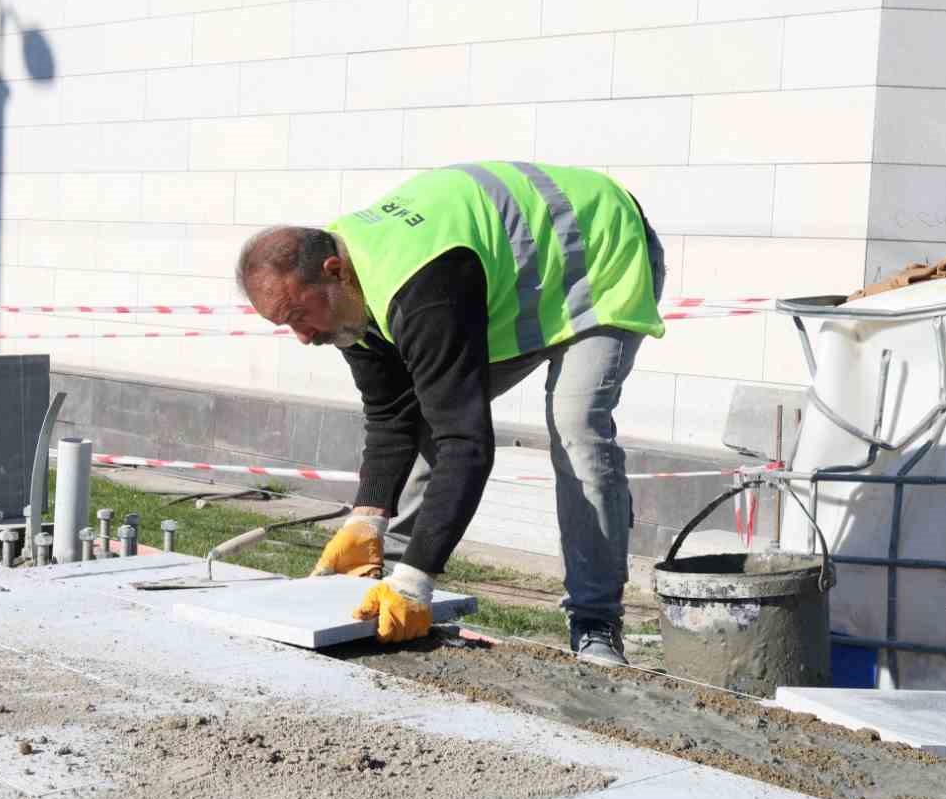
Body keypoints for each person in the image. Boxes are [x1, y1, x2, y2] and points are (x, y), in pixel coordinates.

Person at [235, 162, 665, 665]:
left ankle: (594, 623)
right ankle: (385, 584)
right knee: (432, 409)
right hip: (519, 284)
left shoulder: (420, 287)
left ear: (334, 272)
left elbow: (467, 442)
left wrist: (419, 579)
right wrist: (366, 517)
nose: (303, 337)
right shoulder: (347, 291)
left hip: (598, 255)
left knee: (577, 429)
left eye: (298, 317)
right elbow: (392, 413)